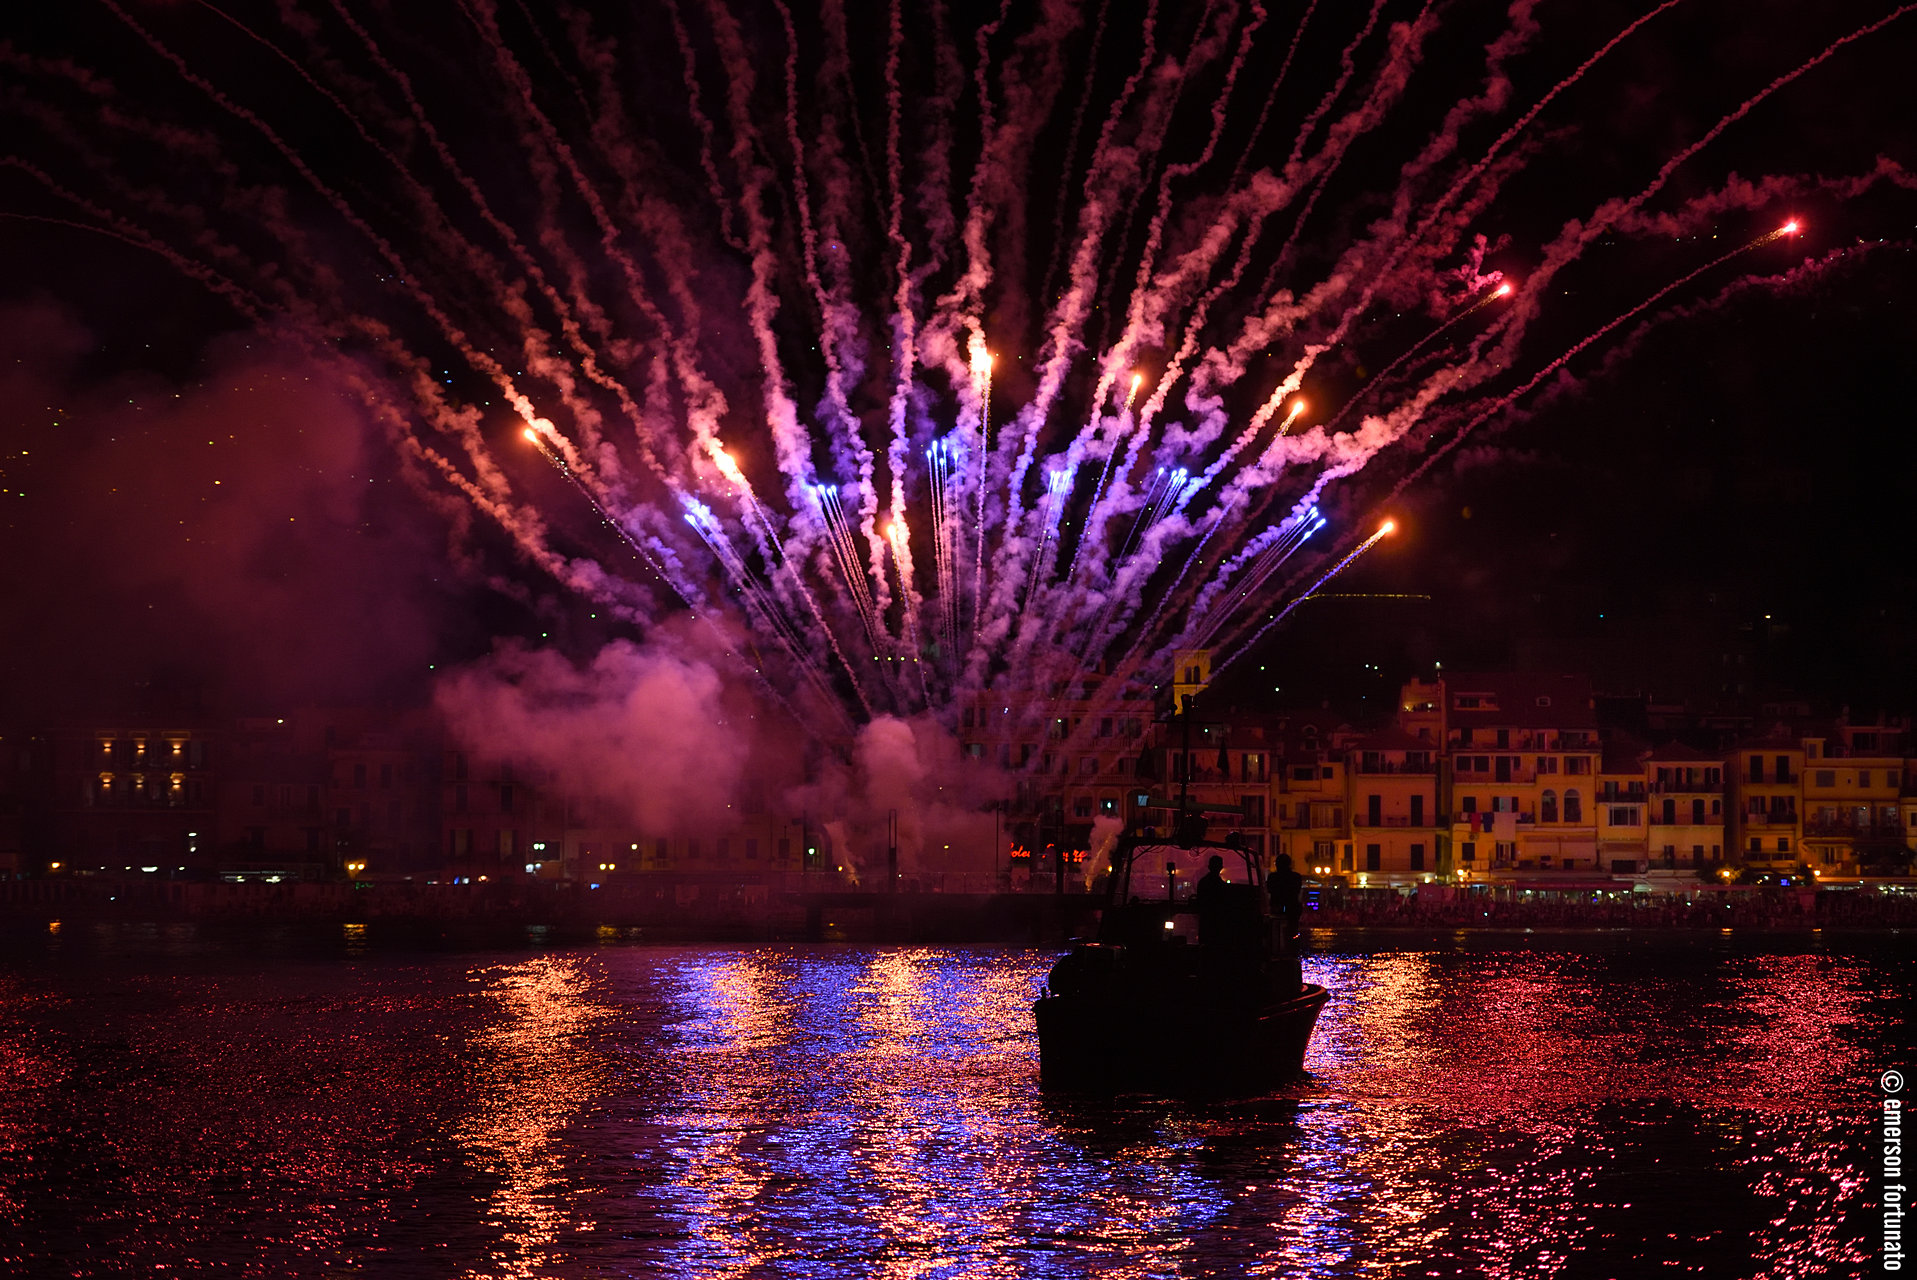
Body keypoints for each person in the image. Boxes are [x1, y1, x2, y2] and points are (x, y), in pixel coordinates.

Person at [1268, 853, 1304, 953]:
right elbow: (1296, 890)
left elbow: (1269, 890)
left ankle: (1276, 949)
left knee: (1275, 930)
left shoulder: (1273, 877)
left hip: (1278, 907)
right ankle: (1293, 949)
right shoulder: (1296, 877)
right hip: (1292, 907)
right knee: (1293, 931)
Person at [1195, 854, 1228, 947]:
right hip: (1218, 923)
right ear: (1221, 867)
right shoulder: (1221, 885)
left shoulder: (1203, 882)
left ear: (1209, 866)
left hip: (1205, 922)